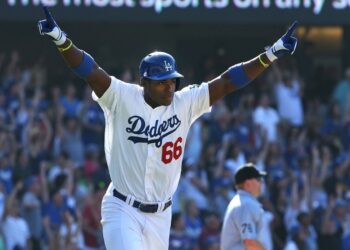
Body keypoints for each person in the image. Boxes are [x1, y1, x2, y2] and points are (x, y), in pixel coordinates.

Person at [37, 7, 297, 250]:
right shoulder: (122, 97)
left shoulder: (185, 103)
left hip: (161, 215)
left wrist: (271, 53)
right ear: (145, 82)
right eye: (162, 82)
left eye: (172, 80)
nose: (170, 86)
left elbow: (227, 81)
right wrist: (60, 38)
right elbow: (90, 70)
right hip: (122, 207)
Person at [220, 163, 267, 250]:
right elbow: (249, 242)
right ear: (248, 184)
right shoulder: (245, 204)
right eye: (258, 179)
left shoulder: (241, 201)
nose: (261, 182)